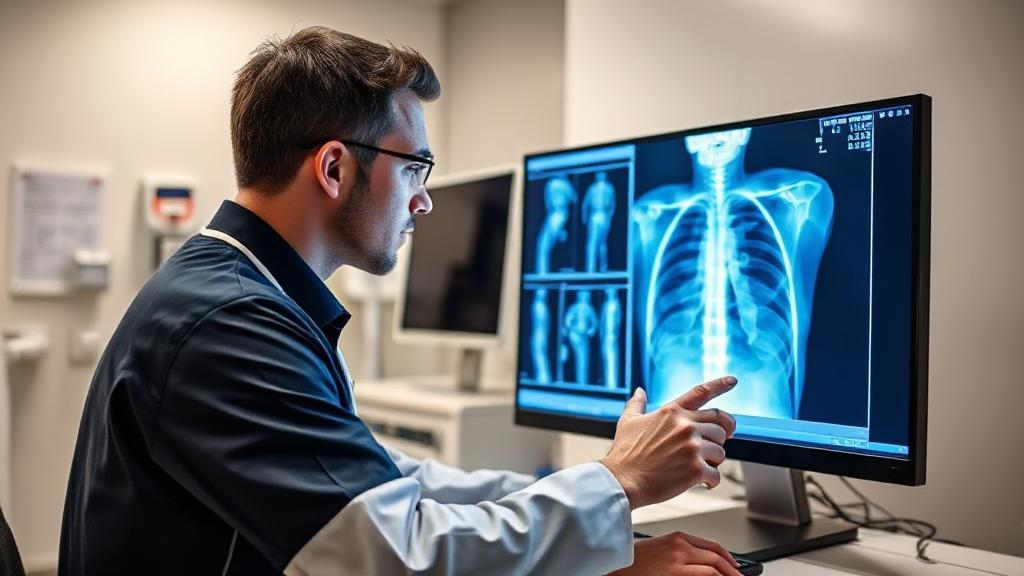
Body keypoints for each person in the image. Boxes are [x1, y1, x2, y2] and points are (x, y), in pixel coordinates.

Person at [58, 27, 743, 576]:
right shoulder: (227, 325)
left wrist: (601, 486)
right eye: (415, 167)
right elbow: (391, 554)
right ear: (333, 168)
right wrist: (617, 484)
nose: (425, 199)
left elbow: (390, 486)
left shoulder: (242, 295)